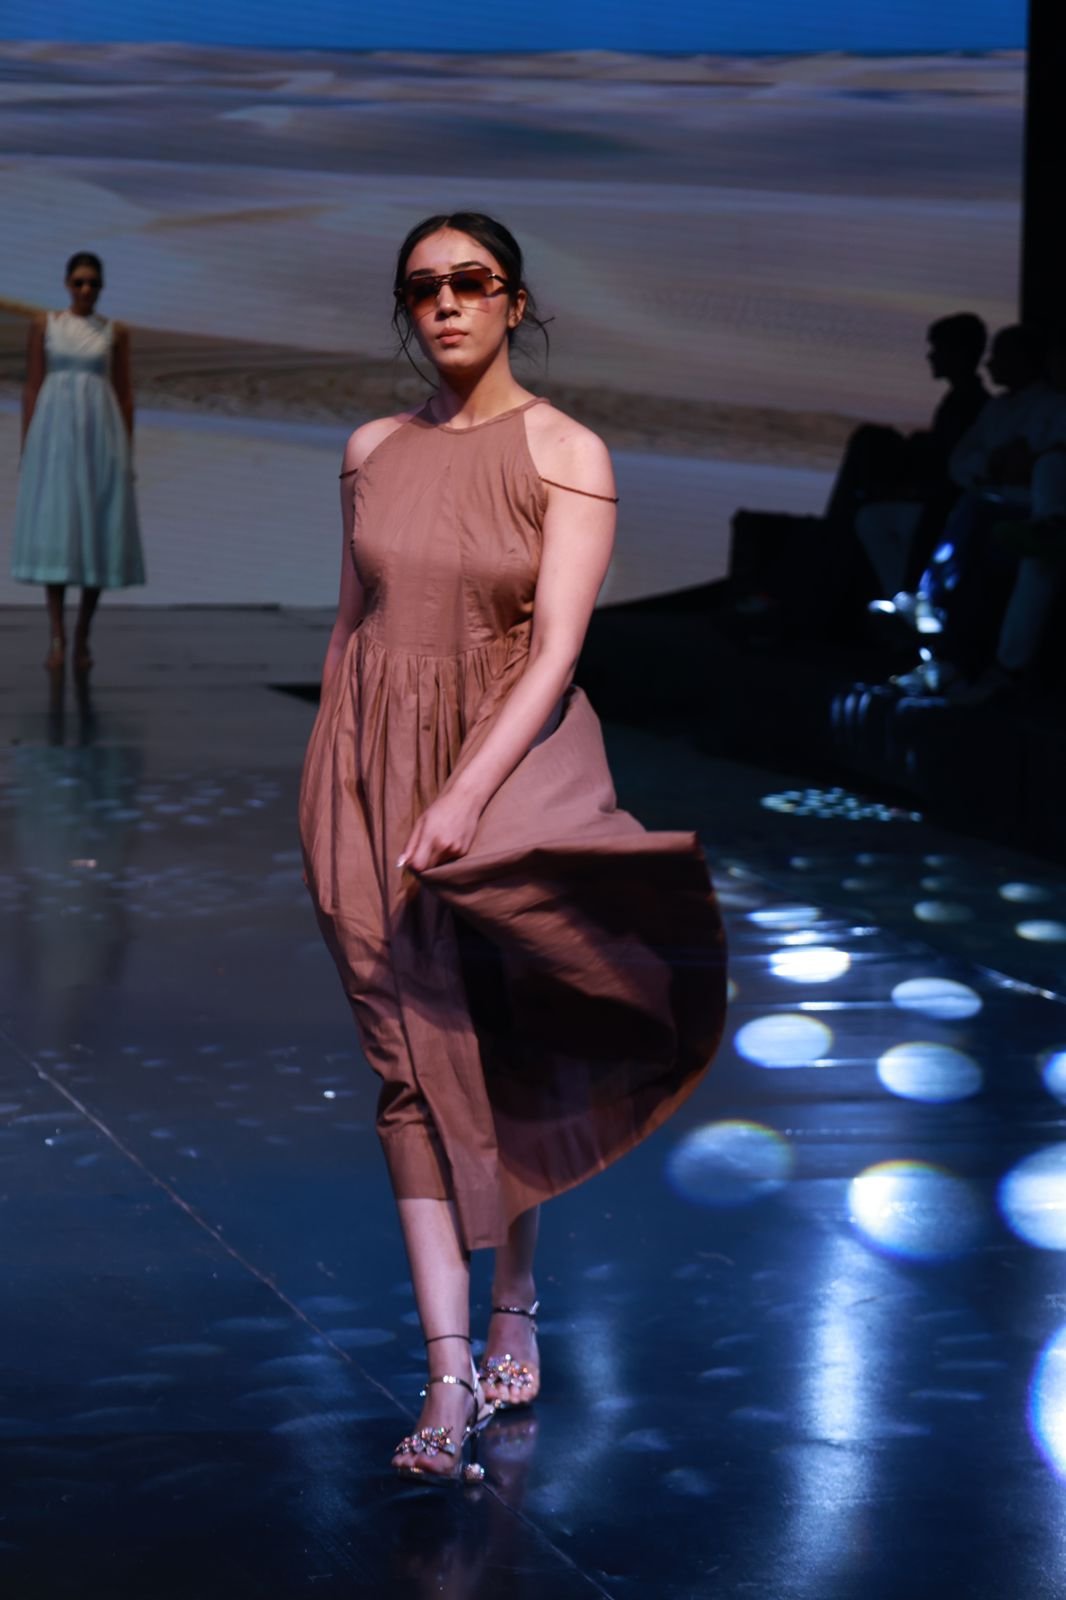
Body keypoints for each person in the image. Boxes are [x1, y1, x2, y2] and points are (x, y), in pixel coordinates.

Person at [298, 213, 726, 1483]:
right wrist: (326, 779)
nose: (444, 304)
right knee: (404, 1063)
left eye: (469, 282)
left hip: (502, 765)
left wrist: (462, 796)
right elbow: (349, 630)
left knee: (499, 1038)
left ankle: (514, 1303)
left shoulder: (564, 452)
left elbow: (554, 652)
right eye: (421, 288)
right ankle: (446, 1375)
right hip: (367, 772)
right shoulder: (372, 449)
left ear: (514, 301)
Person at [11, 251, 144, 673]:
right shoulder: (45, 325)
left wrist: (126, 451)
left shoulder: (115, 332)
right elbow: (32, 387)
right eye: (79, 282)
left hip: (99, 438)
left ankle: (83, 634)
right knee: (57, 530)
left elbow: (124, 394)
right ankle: (57, 635)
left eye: (93, 283)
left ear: (101, 287)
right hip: (54, 439)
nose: (86, 289)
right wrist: (28, 445)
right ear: (67, 284)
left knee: (96, 532)